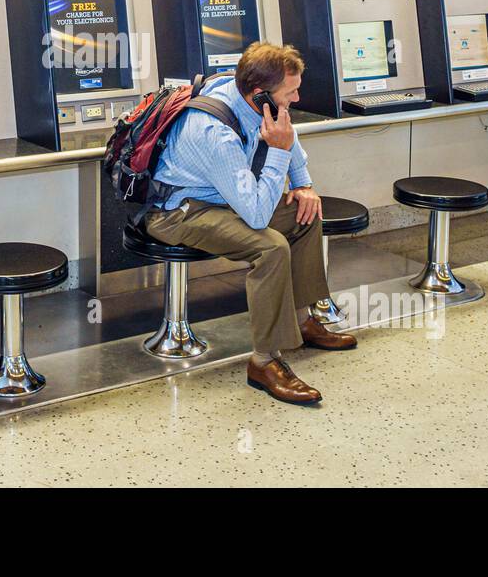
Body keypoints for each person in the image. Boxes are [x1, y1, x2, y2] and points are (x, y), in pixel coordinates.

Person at [144, 42, 356, 405]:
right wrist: (277, 152)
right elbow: (257, 215)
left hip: (224, 196)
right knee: (270, 246)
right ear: (260, 95)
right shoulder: (214, 132)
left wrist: (303, 185)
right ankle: (264, 361)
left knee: (304, 214)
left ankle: (302, 320)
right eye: (290, 92)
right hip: (179, 212)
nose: (298, 97)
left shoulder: (246, 91)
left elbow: (287, 128)